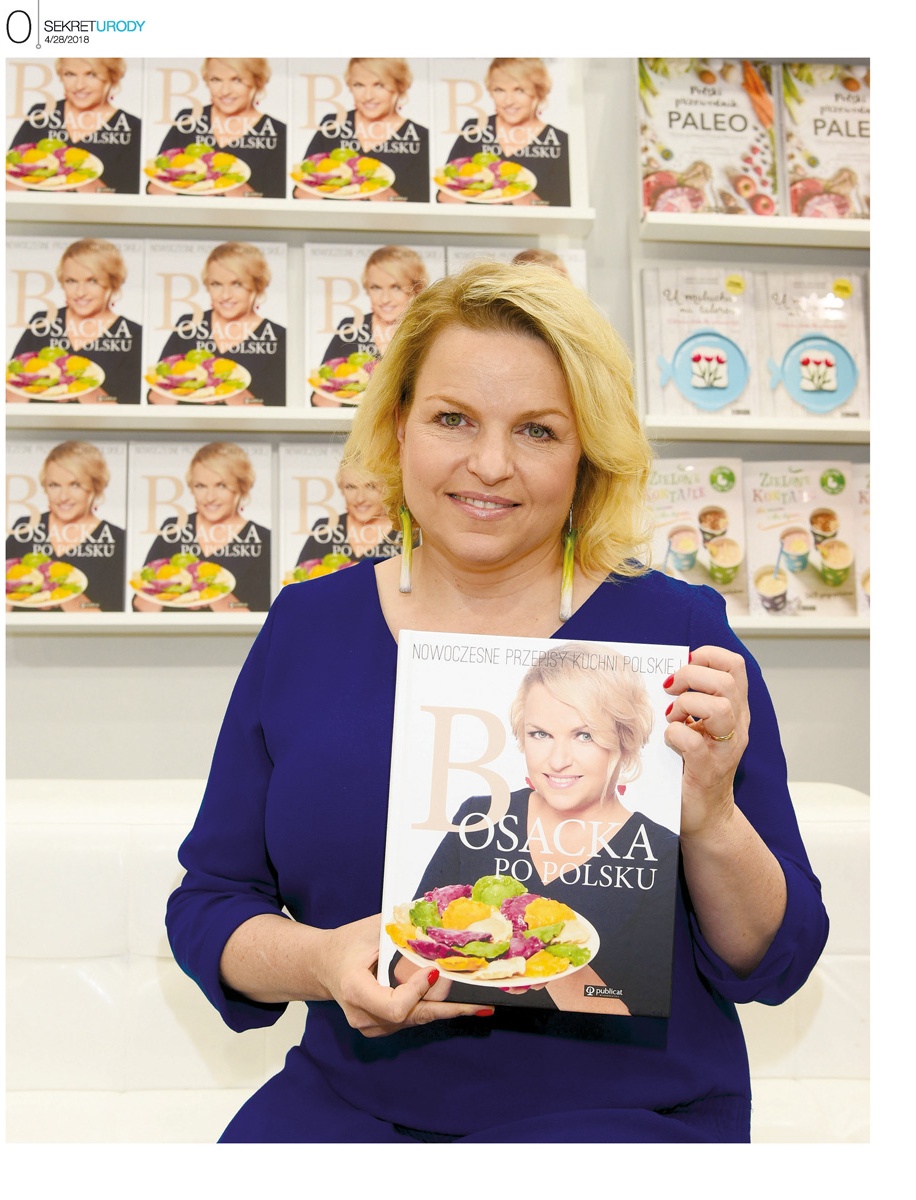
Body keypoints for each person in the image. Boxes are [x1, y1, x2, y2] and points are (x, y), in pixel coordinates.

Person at [167, 261, 828, 1143]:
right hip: (351, 1106)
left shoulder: (675, 635)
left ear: (585, 454)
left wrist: (708, 816)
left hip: (627, 1118)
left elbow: (774, 960)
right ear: (399, 426)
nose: (488, 464)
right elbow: (211, 902)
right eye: (452, 419)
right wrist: (320, 960)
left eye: (537, 431)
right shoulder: (307, 625)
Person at [395, 643, 678, 1017]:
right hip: (459, 1044)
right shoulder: (482, 816)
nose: (558, 761)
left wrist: (536, 955)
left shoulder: (661, 850)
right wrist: (453, 943)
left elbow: (641, 1011)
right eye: (540, 734)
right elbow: (404, 973)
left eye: (584, 735)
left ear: (624, 741)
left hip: (589, 1054)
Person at [133, 442, 270, 614]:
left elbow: (261, 616)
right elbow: (139, 605)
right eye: (200, 486)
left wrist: (208, 593)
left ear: (241, 487)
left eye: (221, 485)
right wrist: (170, 589)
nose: (210, 497)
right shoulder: (175, 528)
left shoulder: (263, 539)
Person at [149, 242, 286, 406]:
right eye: (216, 284)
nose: (225, 295)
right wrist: (185, 384)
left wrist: (228, 390)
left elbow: (276, 410)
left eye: (237, 284)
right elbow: (154, 398)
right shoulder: (190, 324)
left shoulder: (279, 337)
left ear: (257, 285)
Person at [8, 238, 142, 405]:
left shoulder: (133, 334)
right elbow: (10, 395)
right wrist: (36, 384)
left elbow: (127, 404)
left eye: (92, 281)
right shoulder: (44, 321)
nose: (80, 292)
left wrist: (83, 390)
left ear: (112, 283)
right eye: (71, 281)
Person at [6, 441, 125, 612]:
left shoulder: (116, 539)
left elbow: (111, 613)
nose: (63, 497)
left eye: (75, 485)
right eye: (54, 485)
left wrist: (60, 593)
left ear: (95, 487)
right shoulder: (26, 527)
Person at [438, 58, 570, 207]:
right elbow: (443, 196)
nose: (508, 101)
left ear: (538, 92)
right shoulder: (475, 128)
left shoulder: (560, 141)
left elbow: (562, 208)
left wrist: (520, 196)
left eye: (519, 90)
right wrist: (478, 191)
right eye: (499, 90)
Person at [148, 58, 287, 199]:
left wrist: (238, 190)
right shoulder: (189, 118)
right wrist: (187, 183)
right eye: (216, 80)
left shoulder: (277, 132)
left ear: (257, 82)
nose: (225, 91)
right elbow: (152, 187)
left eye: (237, 80)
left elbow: (275, 198)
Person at [294, 58, 429, 202]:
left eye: (379, 85)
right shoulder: (334, 124)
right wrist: (337, 185)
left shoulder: (419, 136)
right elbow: (300, 192)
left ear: (399, 86)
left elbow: (420, 205)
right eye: (359, 85)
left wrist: (374, 190)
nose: (368, 96)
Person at [310, 245, 428, 408]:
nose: (385, 299)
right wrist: (347, 389)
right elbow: (319, 399)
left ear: (416, 289)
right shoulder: (351, 327)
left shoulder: (427, 331)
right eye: (376, 287)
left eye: (396, 287)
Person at [7, 58, 142, 194]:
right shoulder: (42, 113)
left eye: (91, 74)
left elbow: (130, 196)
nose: (79, 86)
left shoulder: (132, 127)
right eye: (70, 74)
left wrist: (86, 183)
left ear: (112, 77)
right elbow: (7, 180)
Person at [294, 461, 402, 567]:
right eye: (351, 487)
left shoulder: (405, 533)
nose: (360, 498)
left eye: (370, 486)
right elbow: (297, 576)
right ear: (341, 489)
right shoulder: (324, 528)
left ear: (387, 489)